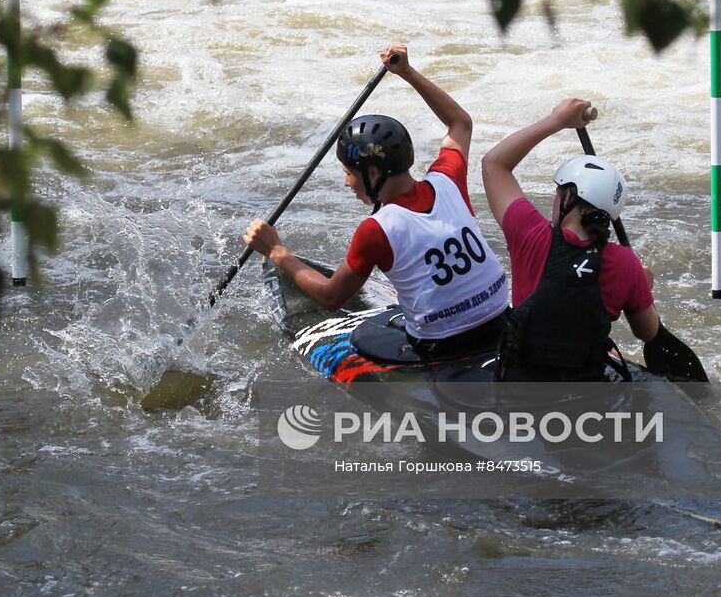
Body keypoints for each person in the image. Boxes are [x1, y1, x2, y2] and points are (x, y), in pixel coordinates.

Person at [243, 45, 509, 358]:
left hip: (445, 346)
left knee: (371, 339)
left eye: (349, 173)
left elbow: (331, 298)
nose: (346, 182)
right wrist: (408, 73)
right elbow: (460, 123)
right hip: (502, 321)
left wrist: (277, 251)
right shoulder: (448, 180)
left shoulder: (377, 229)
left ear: (372, 172)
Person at [480, 97, 660, 381]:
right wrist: (642, 287)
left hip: (521, 394)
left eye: (557, 191)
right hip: (581, 399)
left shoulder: (530, 235)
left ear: (568, 197)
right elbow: (648, 332)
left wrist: (557, 120)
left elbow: (494, 164)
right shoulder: (625, 264)